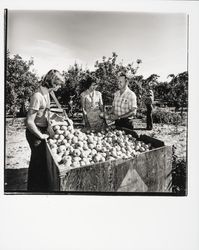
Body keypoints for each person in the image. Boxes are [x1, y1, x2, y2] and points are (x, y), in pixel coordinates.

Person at [26, 69, 64, 192]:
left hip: (41, 129)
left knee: (42, 163)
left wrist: (60, 119)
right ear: (52, 82)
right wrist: (40, 136)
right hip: (35, 132)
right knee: (37, 163)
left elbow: (46, 113)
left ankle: (41, 188)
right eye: (58, 84)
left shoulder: (47, 93)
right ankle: (33, 191)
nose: (60, 87)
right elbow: (29, 121)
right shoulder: (38, 96)